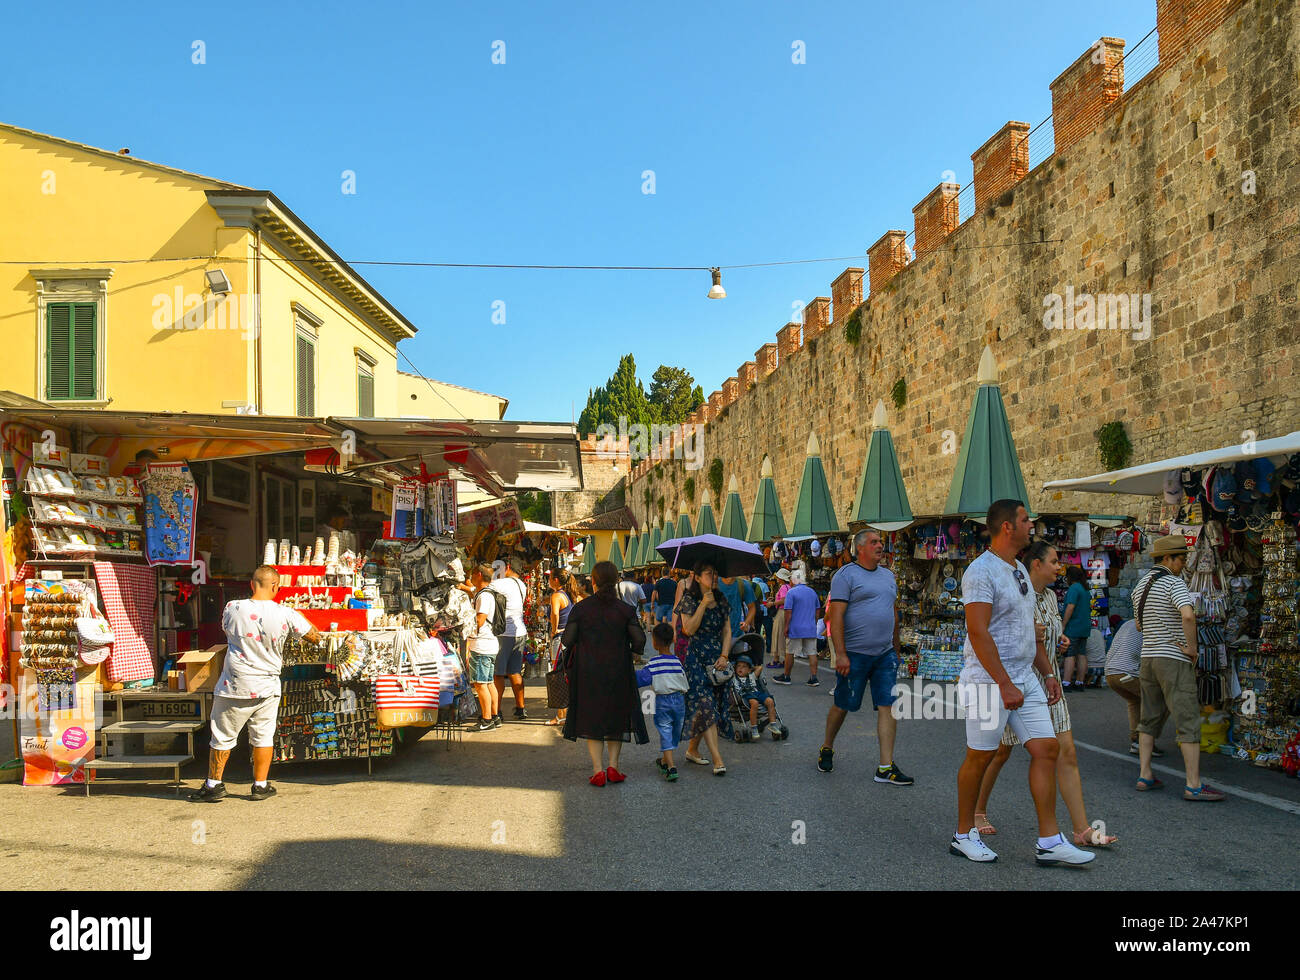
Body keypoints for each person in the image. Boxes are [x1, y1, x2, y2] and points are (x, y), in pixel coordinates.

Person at [950, 499, 1093, 865]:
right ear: (1007, 527)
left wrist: (1047, 672)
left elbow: (1029, 631)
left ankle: (1049, 840)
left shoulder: (1019, 570)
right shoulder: (981, 572)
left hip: (1024, 676)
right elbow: (978, 632)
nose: (1033, 525)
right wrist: (1004, 683)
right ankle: (963, 834)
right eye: (1026, 520)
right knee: (979, 757)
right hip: (988, 681)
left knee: (1047, 749)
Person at [972, 540, 1117, 847]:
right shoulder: (1014, 593)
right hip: (1015, 682)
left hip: (1047, 681)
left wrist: (1058, 639)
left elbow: (1049, 632)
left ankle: (1082, 829)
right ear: (1035, 564)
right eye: (1053, 561)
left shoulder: (1051, 597)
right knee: (998, 753)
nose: (1059, 567)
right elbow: (988, 632)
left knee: (1066, 752)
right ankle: (977, 810)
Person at [190, 565, 322, 802]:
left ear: (251, 584)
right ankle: (260, 786)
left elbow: (226, 631)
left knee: (222, 737)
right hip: (267, 686)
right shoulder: (286, 613)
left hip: (235, 684)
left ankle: (214, 785)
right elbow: (314, 636)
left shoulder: (233, 608)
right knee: (263, 736)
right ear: (276, 586)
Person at [817, 529, 912, 786]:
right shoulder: (845, 575)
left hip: (884, 655)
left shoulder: (888, 576)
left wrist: (896, 646)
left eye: (880, 541)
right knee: (843, 705)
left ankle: (885, 766)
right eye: (874, 542)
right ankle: (827, 746)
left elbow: (892, 612)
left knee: (888, 706)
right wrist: (841, 654)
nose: (880, 545)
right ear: (860, 548)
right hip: (854, 655)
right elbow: (835, 617)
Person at [1135, 535, 1225, 801]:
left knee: (1148, 717)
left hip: (1148, 657)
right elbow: (1187, 615)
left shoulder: (1140, 586)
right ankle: (1193, 784)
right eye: (1181, 558)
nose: (1184, 564)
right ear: (1167, 559)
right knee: (1187, 718)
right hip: (1172, 658)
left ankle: (1145, 774)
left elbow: (1139, 625)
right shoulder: (1174, 583)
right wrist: (1192, 647)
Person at [561, 561, 649, 785]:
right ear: (616, 581)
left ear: (593, 582)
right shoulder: (625, 610)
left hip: (588, 670)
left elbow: (567, 640)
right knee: (616, 717)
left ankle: (598, 770)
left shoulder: (581, 609)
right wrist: (626, 648)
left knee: (593, 718)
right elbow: (640, 641)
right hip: (618, 669)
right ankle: (613, 767)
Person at [675, 560, 732, 775]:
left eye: (715, 574)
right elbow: (688, 629)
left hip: (717, 659)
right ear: (697, 577)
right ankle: (718, 760)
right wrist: (702, 604)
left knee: (711, 706)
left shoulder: (721, 599)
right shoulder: (689, 600)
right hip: (695, 659)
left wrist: (725, 655)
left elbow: (727, 631)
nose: (714, 577)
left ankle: (692, 750)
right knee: (706, 705)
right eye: (709, 574)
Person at [636, 623, 689, 781]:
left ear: (654, 642)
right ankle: (668, 763)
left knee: (665, 730)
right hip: (679, 700)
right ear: (672, 640)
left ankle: (668, 763)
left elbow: (641, 679)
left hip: (662, 701)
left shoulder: (654, 662)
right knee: (675, 731)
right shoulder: (677, 661)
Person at [1104, 617, 1159, 755]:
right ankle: (1146, 741)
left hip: (1110, 673)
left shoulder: (1128, 623)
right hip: (1127, 673)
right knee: (1155, 700)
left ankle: (1136, 740)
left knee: (1134, 701)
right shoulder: (1150, 624)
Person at [491, 557, 529, 722]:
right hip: (519, 632)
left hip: (504, 633)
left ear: (506, 568)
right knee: (514, 672)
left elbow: (483, 589)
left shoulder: (502, 584)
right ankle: (521, 708)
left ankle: (496, 711)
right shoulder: (521, 584)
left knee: (498, 674)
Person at [467, 564, 502, 732]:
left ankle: (486, 719)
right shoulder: (487, 594)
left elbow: (479, 621)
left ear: (479, 574)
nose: (471, 577)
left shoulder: (484, 597)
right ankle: (494, 717)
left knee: (481, 684)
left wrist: (465, 629)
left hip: (482, 645)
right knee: (488, 683)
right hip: (489, 644)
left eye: (472, 574)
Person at [772, 568, 821, 686]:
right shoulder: (812, 592)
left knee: (790, 652)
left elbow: (788, 612)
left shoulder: (791, 593)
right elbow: (817, 610)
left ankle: (786, 676)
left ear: (794, 580)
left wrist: (786, 627)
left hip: (795, 628)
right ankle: (814, 678)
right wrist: (813, 623)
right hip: (810, 628)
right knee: (812, 653)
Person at [545, 568, 577, 727]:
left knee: (558, 676)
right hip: (568, 637)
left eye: (550, 578)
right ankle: (564, 714)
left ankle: (560, 715)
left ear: (556, 579)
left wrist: (553, 630)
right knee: (565, 674)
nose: (549, 580)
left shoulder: (556, 596)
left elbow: (555, 614)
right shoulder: (568, 594)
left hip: (559, 638)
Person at [730, 654, 783, 740]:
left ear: (749, 669)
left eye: (744, 667)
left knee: (770, 701)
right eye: (738, 666)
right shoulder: (734, 678)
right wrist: (732, 667)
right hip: (745, 695)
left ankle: (773, 725)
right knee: (754, 703)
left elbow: (760, 668)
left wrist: (751, 668)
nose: (740, 668)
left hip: (756, 693)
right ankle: (754, 728)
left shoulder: (752, 676)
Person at [1060, 565, 1092, 691]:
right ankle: (1080, 682)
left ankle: (1066, 683)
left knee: (1070, 654)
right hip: (1084, 627)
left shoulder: (1074, 588)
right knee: (1081, 654)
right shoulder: (1085, 589)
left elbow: (1070, 607)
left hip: (1073, 627)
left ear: (1069, 577)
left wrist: (1063, 624)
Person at [717, 572, 755, 641]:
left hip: (737, 635)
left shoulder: (743, 585)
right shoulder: (713, 584)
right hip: (717, 636)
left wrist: (746, 622)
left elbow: (752, 607)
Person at [769, 568, 792, 667]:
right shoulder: (788, 587)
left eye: (778, 577)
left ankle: (776, 659)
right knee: (781, 635)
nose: (777, 579)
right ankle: (778, 659)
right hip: (785, 612)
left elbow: (783, 600)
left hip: (781, 612)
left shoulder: (783, 587)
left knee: (777, 634)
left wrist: (772, 603)